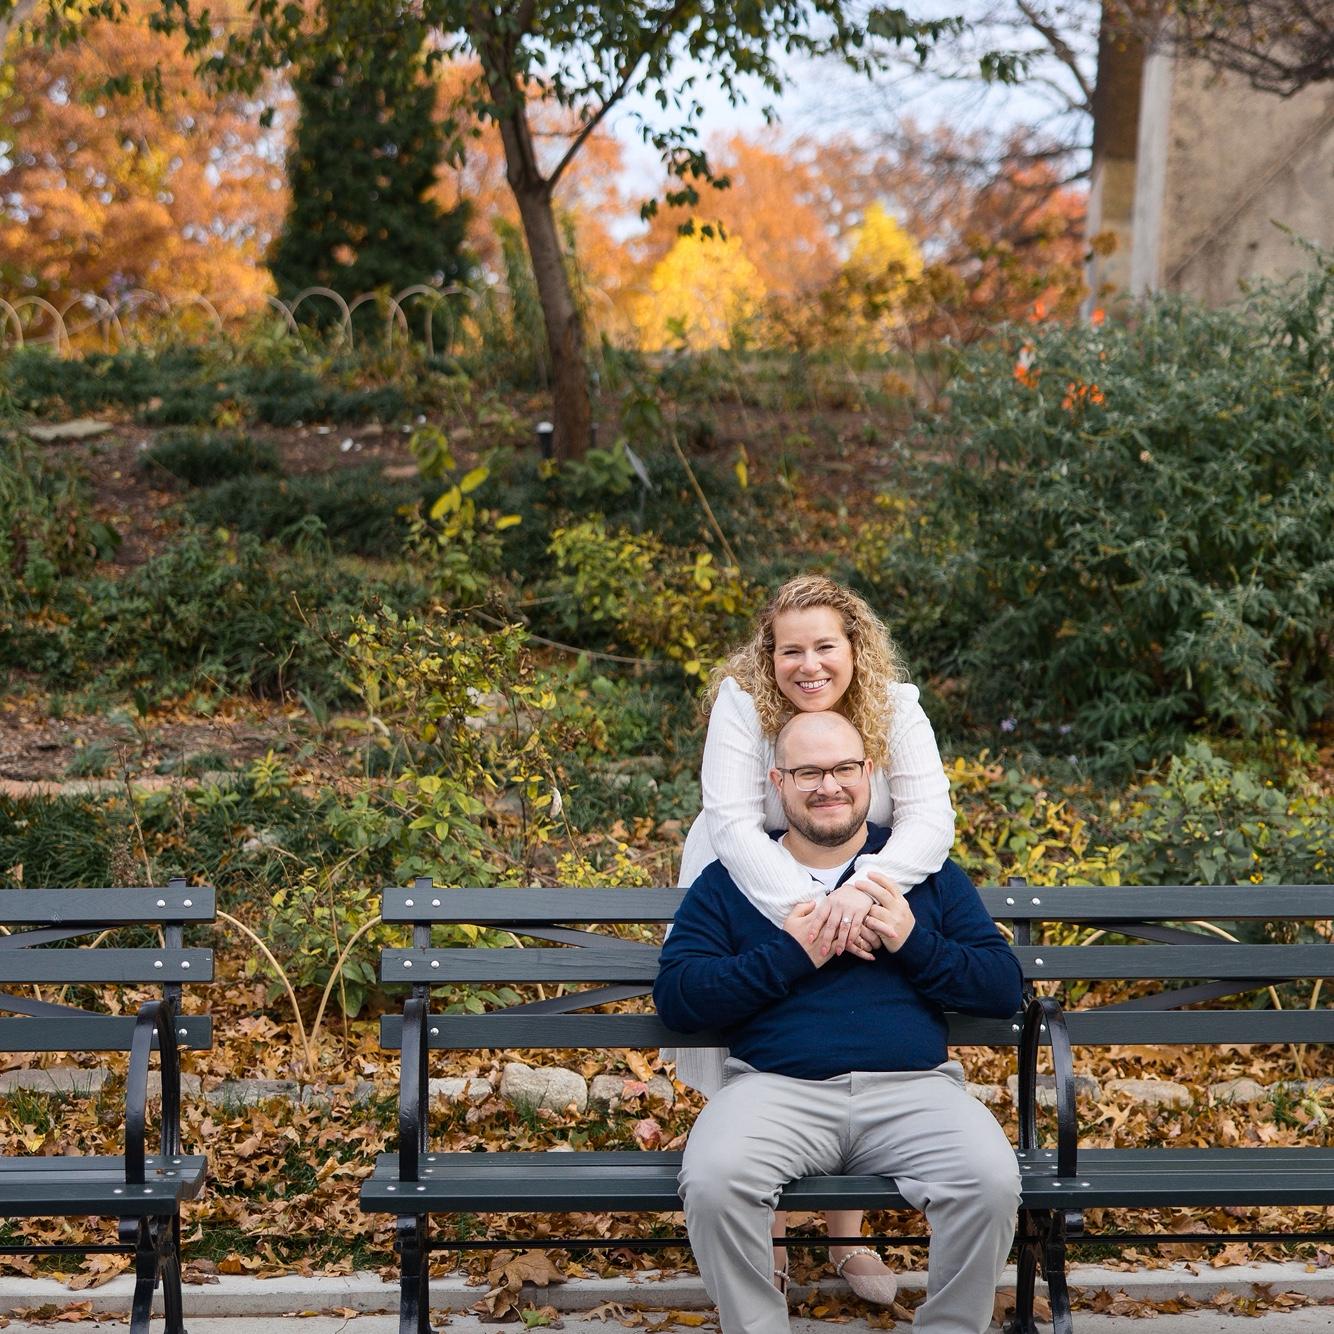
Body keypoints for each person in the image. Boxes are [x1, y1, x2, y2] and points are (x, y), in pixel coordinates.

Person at [656, 711, 1022, 1334]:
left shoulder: (923, 875)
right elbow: (679, 997)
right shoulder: (733, 880)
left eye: (844, 768)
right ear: (777, 782)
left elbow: (1002, 987)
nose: (829, 786)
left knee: (988, 1180)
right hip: (775, 1091)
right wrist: (793, 954)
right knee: (715, 1179)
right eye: (808, 772)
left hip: (914, 1091)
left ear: (869, 773)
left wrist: (912, 941)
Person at [671, 574, 956, 1300]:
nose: (809, 666)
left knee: (855, 1031)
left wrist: (858, 896)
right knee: (761, 1052)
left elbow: (929, 820)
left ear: (855, 646)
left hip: (872, 881)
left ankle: (845, 1241)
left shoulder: (895, 706)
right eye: (790, 650)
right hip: (750, 883)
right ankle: (763, 1240)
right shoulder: (743, 703)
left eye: (825, 646)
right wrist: (812, 913)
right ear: (768, 655)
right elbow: (732, 820)